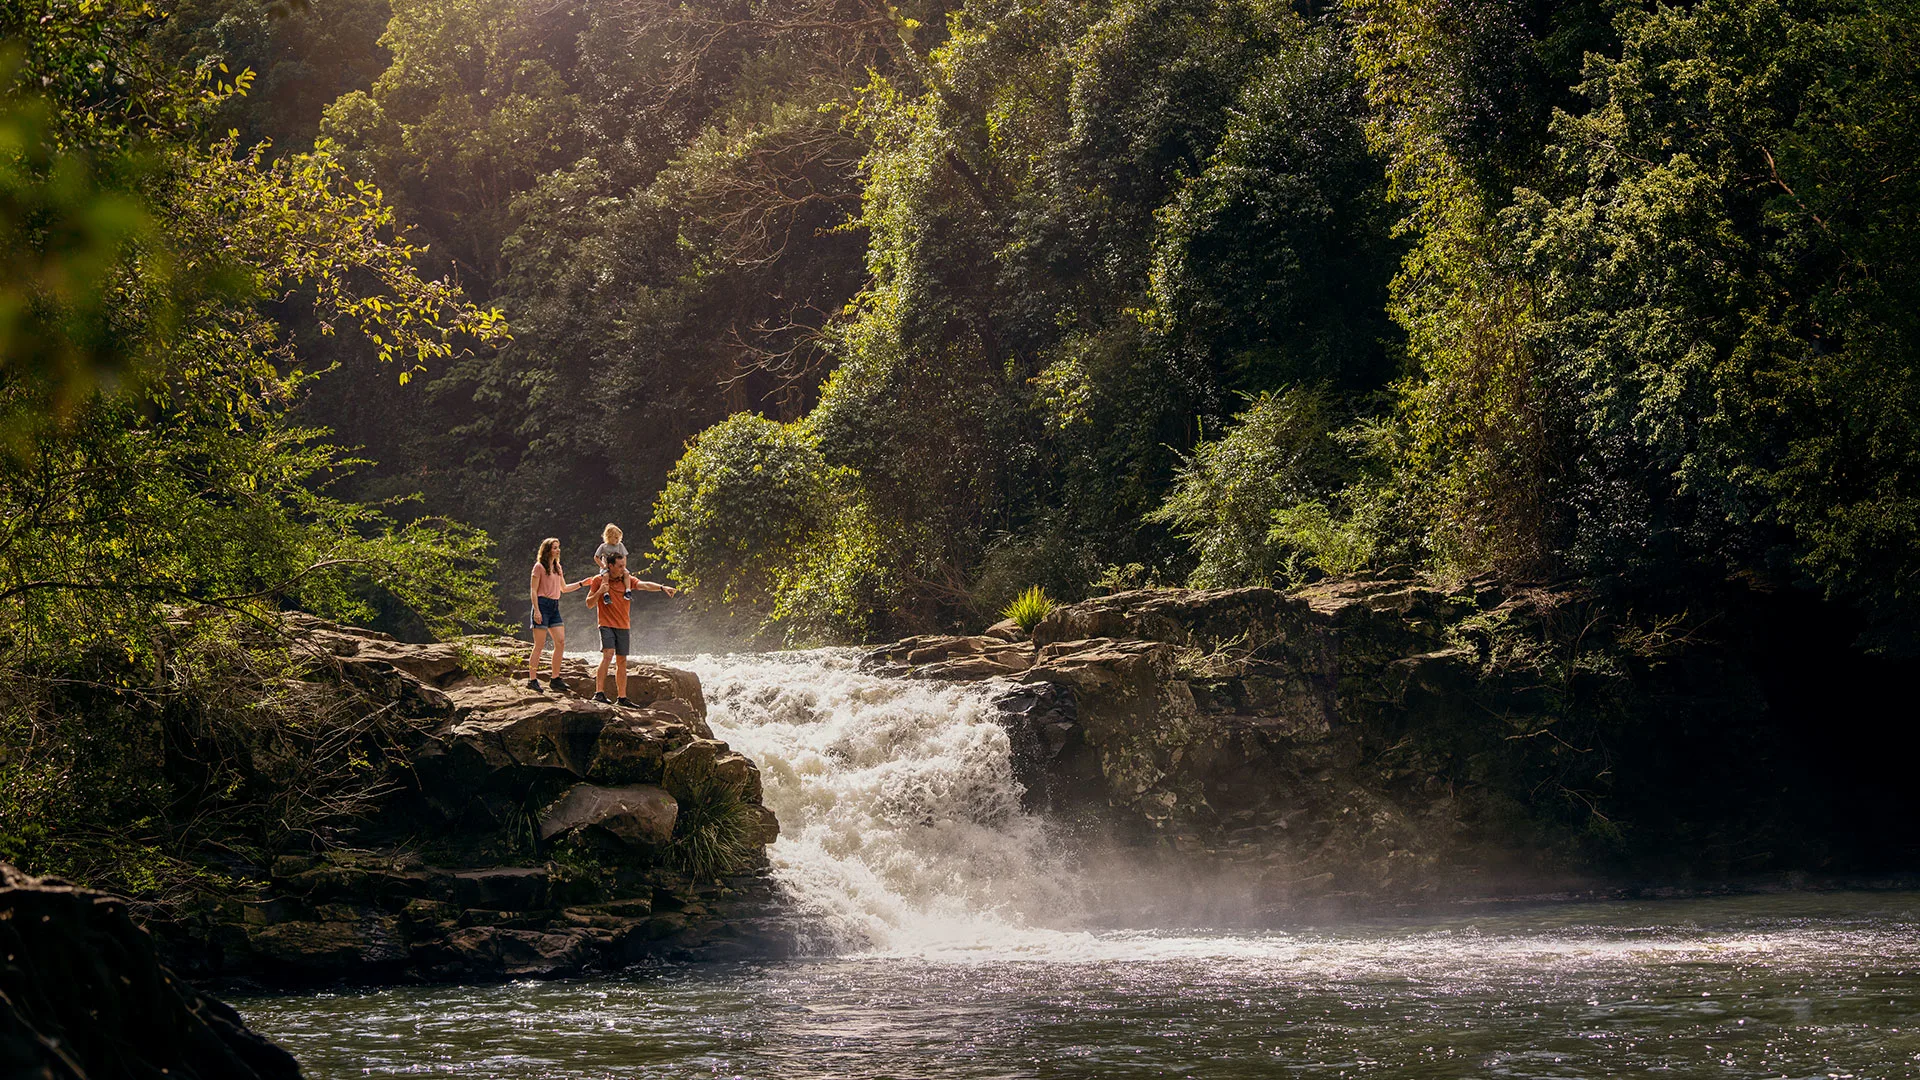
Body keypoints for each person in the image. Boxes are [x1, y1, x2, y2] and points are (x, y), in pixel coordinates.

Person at [585, 552, 676, 705]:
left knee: (622, 661)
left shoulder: (627, 581)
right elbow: (589, 603)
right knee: (608, 655)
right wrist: (600, 591)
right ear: (610, 566)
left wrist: (662, 587)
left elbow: (645, 585)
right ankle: (599, 693)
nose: (623, 569)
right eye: (620, 566)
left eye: (624, 565)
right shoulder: (598, 580)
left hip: (623, 626)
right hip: (606, 624)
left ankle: (622, 698)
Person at [526, 537, 583, 692]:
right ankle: (532, 680)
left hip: (554, 607)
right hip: (542, 605)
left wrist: (583, 583)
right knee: (539, 645)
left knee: (561, 642)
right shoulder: (539, 567)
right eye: (555, 548)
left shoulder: (557, 567)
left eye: (558, 547)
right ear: (547, 550)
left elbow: (563, 589)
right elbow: (533, 590)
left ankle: (555, 679)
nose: (558, 550)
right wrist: (536, 610)